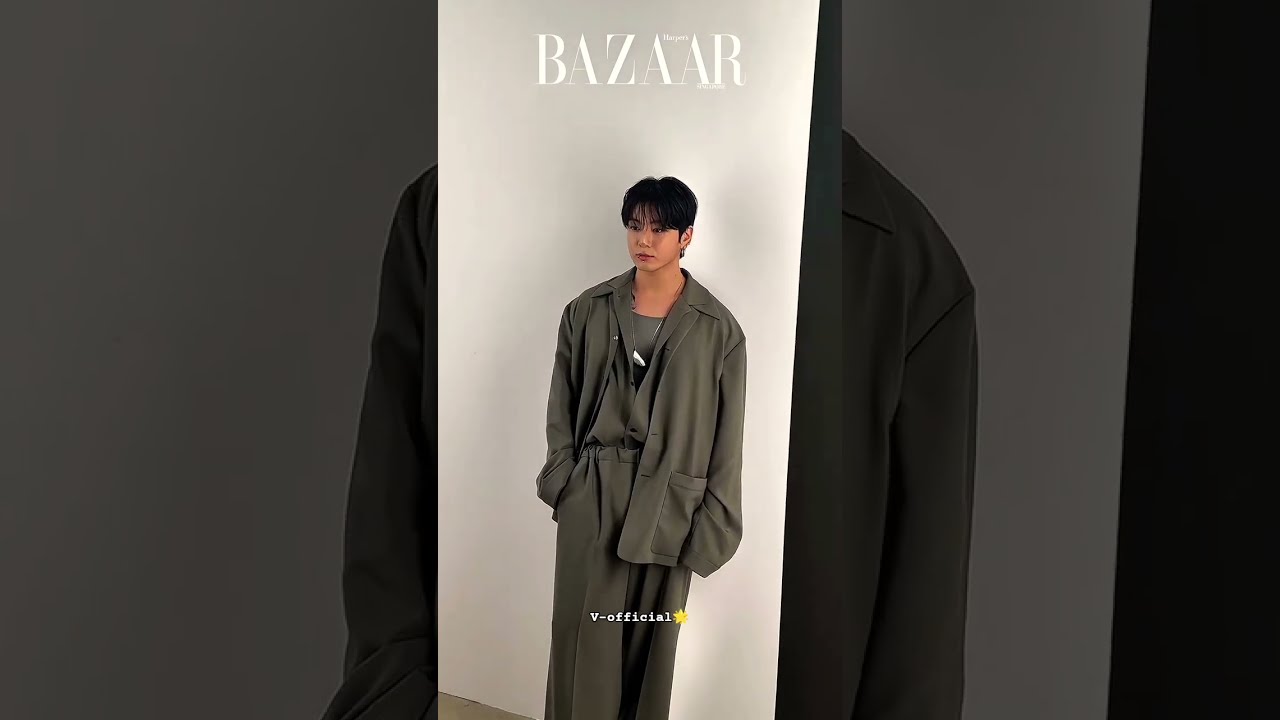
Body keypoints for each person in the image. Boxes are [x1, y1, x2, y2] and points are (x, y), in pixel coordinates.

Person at [535, 176, 748, 720]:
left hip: (671, 509)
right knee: (581, 646)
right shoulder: (586, 310)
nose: (643, 240)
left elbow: (728, 438)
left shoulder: (719, 331)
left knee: (651, 648)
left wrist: (714, 523)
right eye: (635, 226)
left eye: (658, 229)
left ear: (686, 236)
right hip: (592, 497)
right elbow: (561, 404)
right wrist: (564, 482)